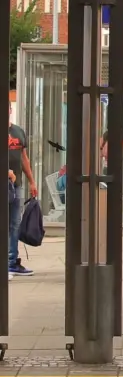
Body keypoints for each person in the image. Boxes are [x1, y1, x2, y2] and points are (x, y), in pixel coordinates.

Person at [8, 118, 36, 276]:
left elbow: (24, 158)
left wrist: (32, 181)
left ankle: (11, 261)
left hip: (16, 184)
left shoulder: (18, 131)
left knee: (15, 223)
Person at [100, 129, 123, 196]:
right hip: (118, 168)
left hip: (106, 167)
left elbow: (101, 154)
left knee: (106, 189)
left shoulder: (103, 142)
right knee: (118, 190)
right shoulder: (120, 141)